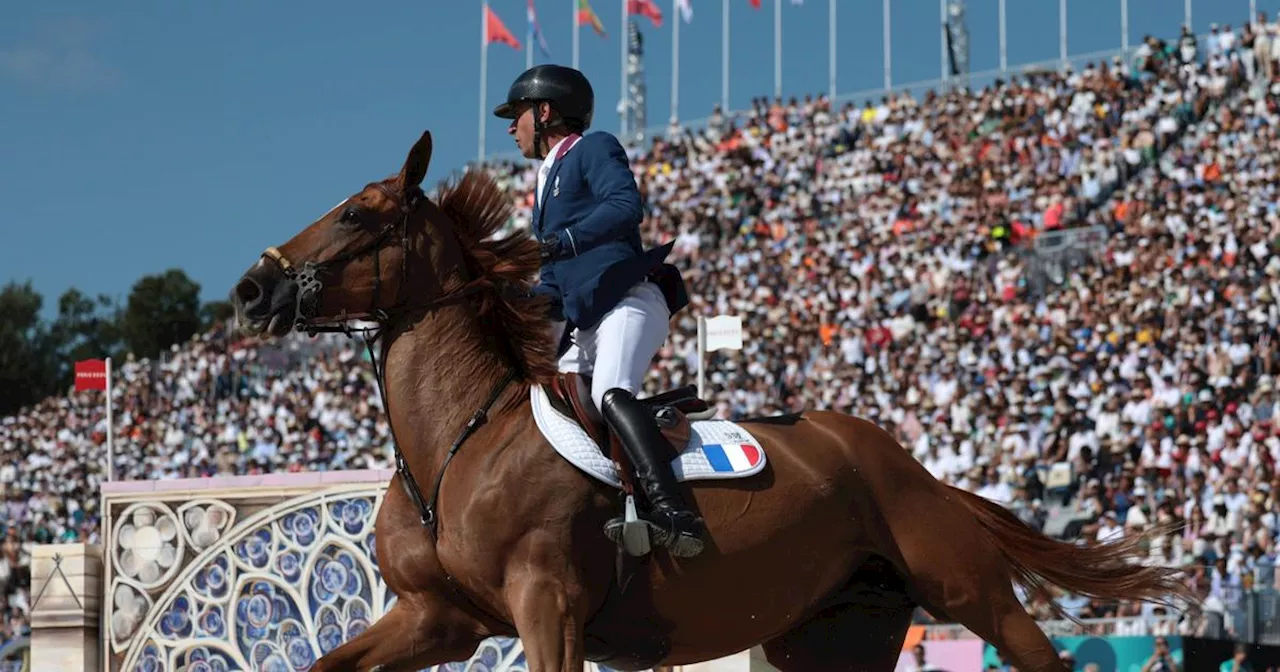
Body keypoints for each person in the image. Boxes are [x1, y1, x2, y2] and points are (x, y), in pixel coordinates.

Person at [492, 64, 704, 558]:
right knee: (548, 405)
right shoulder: (544, 185)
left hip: (628, 300)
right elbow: (551, 286)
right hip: (585, 322)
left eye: (517, 114)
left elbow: (626, 206)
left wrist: (560, 241)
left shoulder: (594, 147)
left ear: (544, 112)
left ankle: (674, 512)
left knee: (610, 391)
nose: (510, 126)